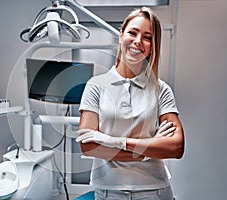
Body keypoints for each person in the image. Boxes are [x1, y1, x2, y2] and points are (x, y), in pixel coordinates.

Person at [76, 7, 185, 200]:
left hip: (155, 191)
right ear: (121, 35)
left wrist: (112, 141)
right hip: (109, 192)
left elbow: (176, 148)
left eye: (147, 37)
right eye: (133, 33)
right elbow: (88, 145)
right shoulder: (96, 86)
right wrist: (149, 149)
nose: (138, 42)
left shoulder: (161, 90)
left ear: (153, 45)